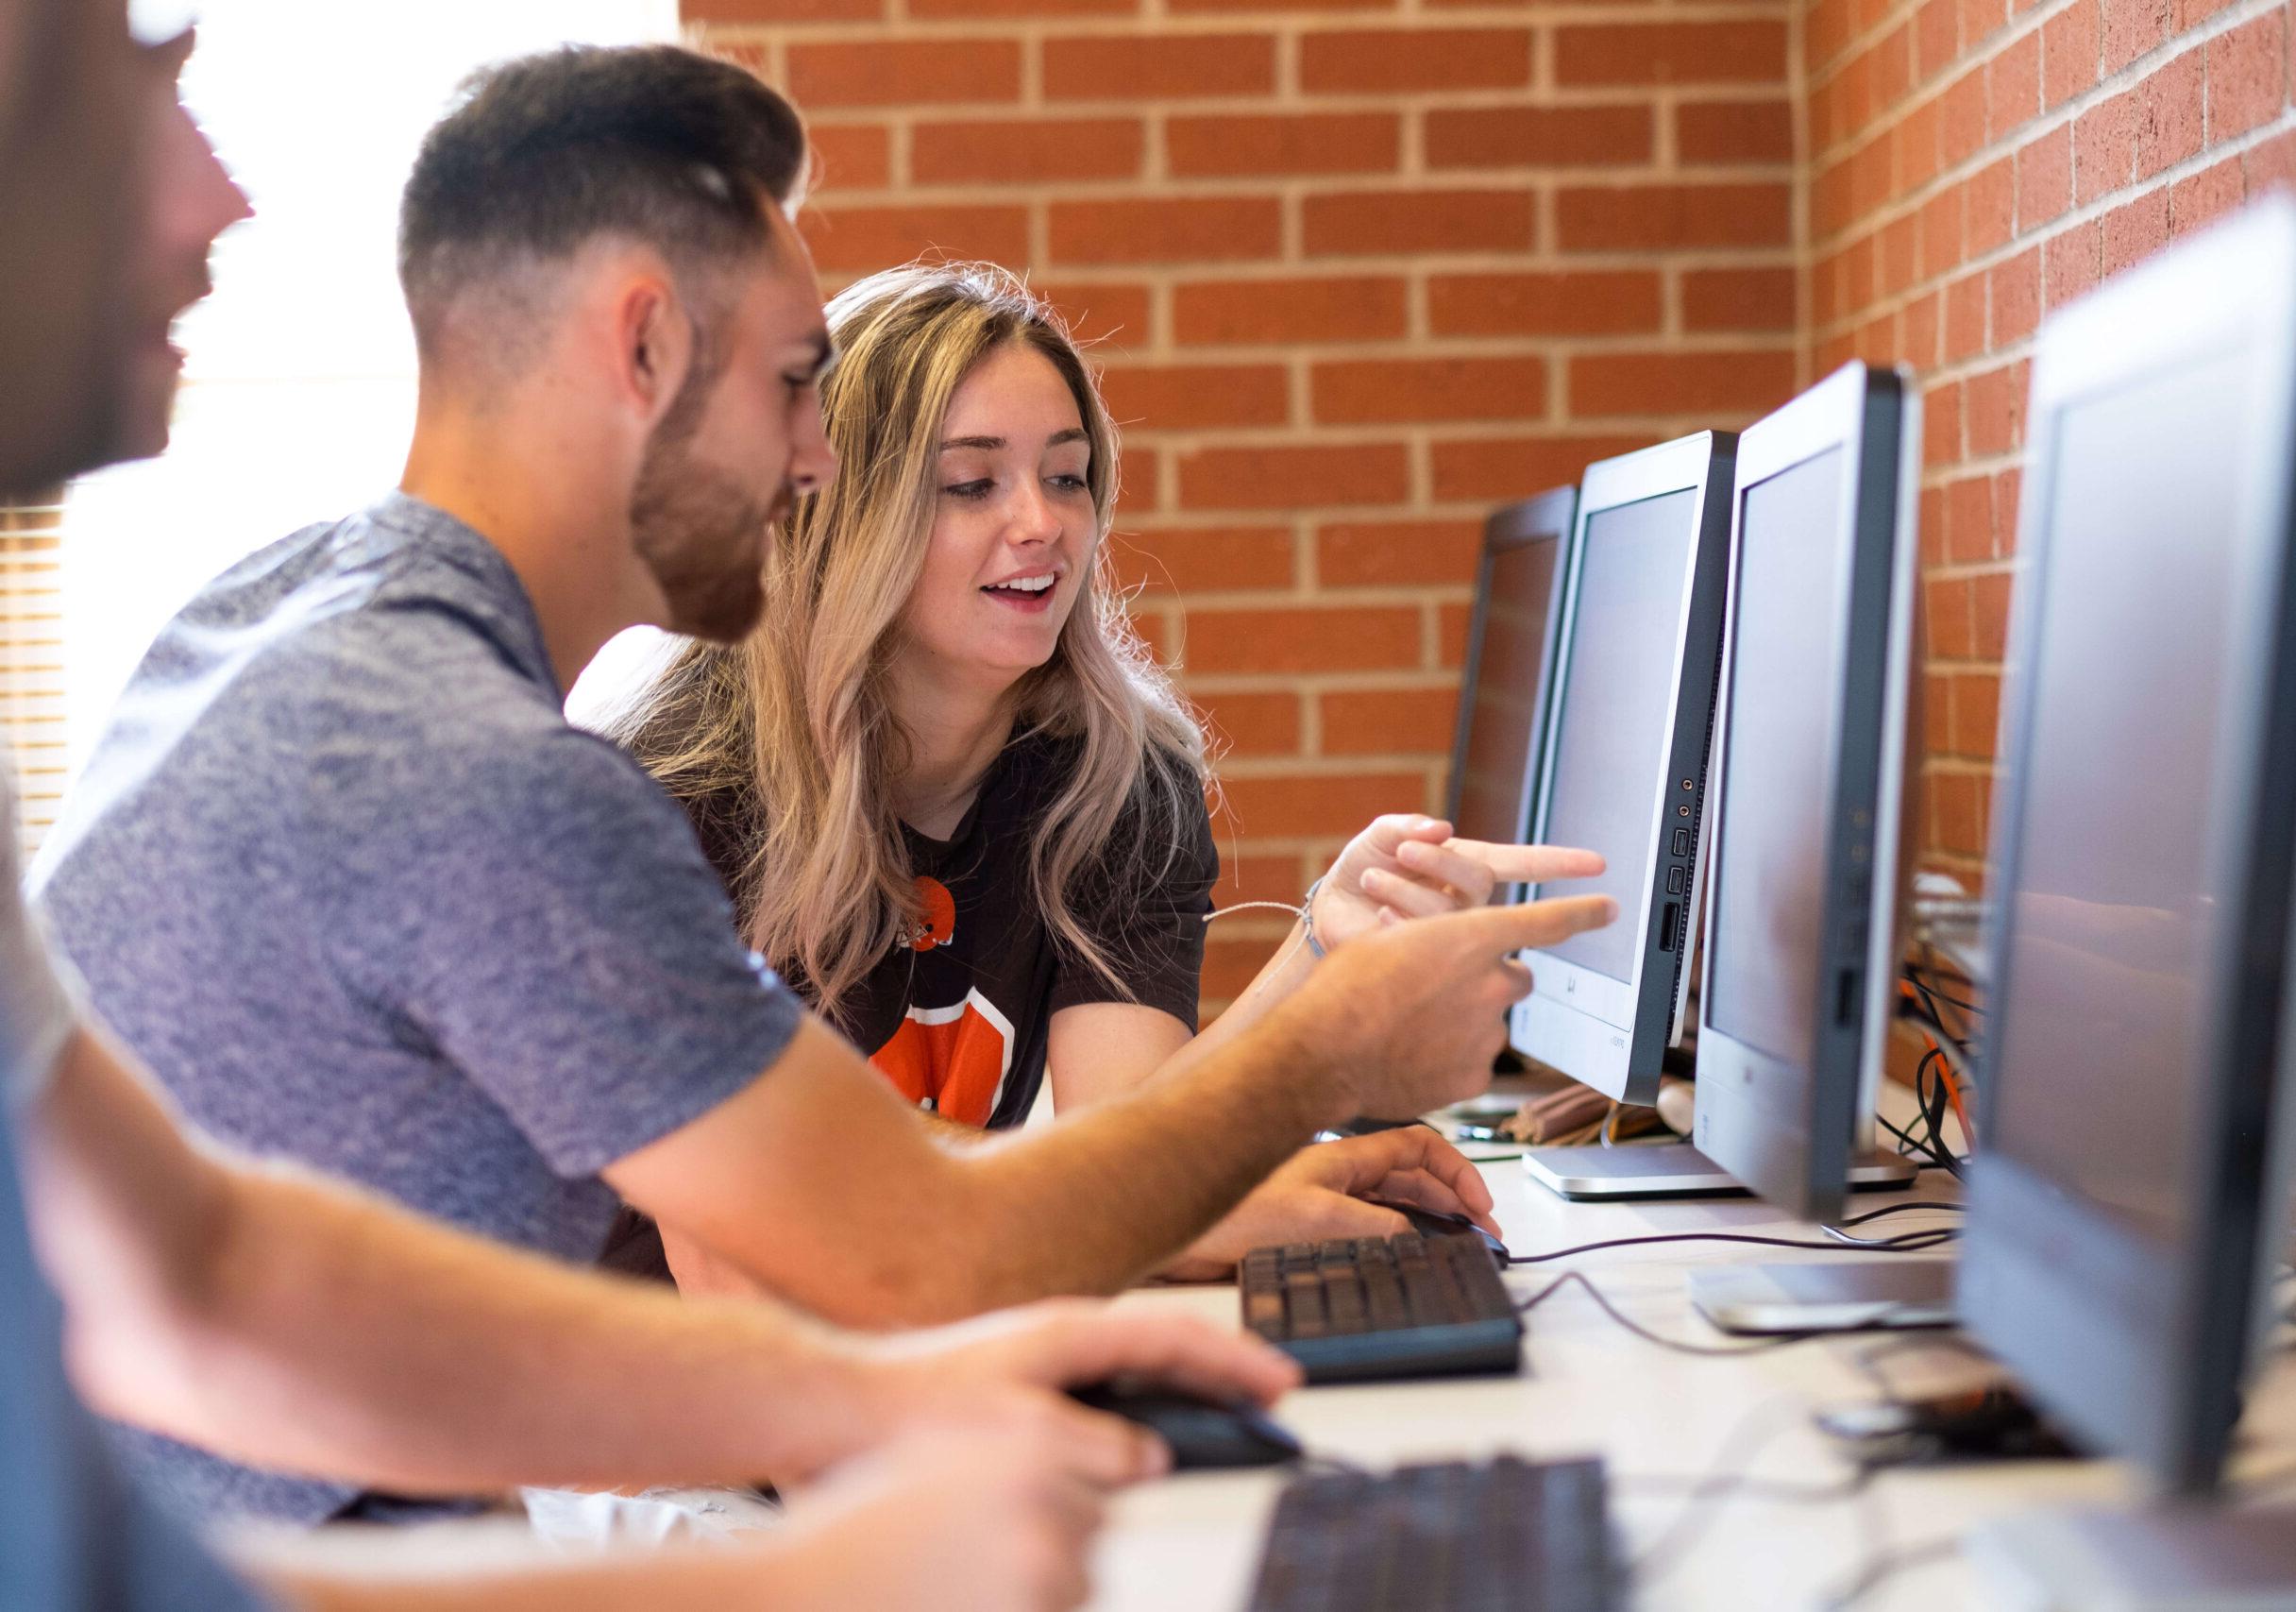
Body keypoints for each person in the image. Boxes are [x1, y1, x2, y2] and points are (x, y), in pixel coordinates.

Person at [33, 39, 1611, 1525]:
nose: (813, 466)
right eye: (800, 387)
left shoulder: (283, 618)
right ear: (645, 347)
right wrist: (1328, 1035)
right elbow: (902, 1264)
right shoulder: (506, 782)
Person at [593, 259, 1605, 1289]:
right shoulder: (666, 792)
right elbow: (760, 1226)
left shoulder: (1111, 774)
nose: (1042, 523)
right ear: (834, 515)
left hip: (898, 1344)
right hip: (632, 1396)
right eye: (969, 483)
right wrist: (1210, 1201)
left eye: (1067, 474)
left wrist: (1319, 951)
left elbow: (1127, 1146)